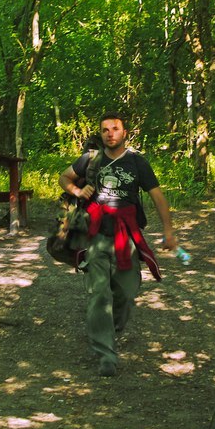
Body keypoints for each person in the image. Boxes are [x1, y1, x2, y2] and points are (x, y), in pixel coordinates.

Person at [59, 112, 177, 377]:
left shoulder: (137, 163)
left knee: (126, 292)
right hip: (96, 235)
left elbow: (158, 197)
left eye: (115, 129)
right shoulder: (91, 160)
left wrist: (169, 231)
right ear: (100, 135)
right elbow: (64, 178)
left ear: (124, 133)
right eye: (104, 130)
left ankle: (109, 330)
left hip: (127, 236)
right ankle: (105, 352)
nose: (110, 133)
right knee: (99, 293)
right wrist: (78, 191)